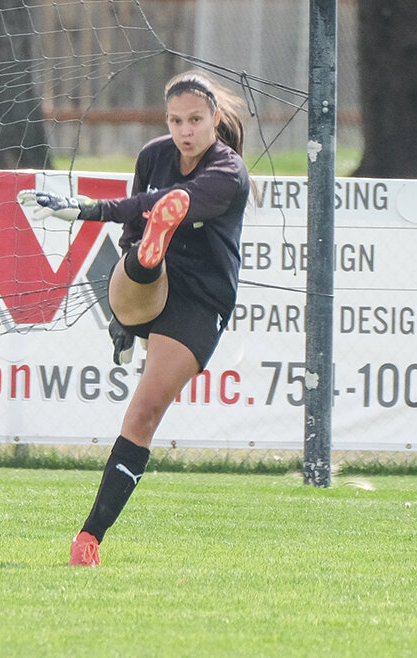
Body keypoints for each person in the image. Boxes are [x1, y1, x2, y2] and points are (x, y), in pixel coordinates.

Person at [18, 71, 250, 567]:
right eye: (175, 120)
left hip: (201, 300)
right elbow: (133, 218)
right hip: (148, 278)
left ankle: (89, 538)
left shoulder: (228, 171)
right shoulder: (153, 156)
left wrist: (85, 210)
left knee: (144, 415)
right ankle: (133, 300)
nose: (185, 130)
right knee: (141, 250)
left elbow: (147, 205)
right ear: (166, 121)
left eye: (195, 120)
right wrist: (128, 233)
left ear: (214, 120)